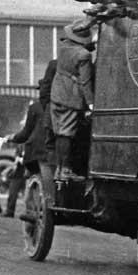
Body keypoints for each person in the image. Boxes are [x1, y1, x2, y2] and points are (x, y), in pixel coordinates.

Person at [41, 24, 96, 180]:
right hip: (71, 97)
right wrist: (90, 103)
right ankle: (65, 170)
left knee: (60, 134)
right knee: (67, 134)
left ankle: (60, 170)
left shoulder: (63, 49)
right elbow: (85, 81)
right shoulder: (84, 55)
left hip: (57, 95)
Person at [5, 82, 53, 219]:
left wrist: (13, 138)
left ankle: (30, 210)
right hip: (54, 151)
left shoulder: (35, 107)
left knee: (33, 180)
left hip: (37, 152)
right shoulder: (61, 107)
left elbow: (26, 133)